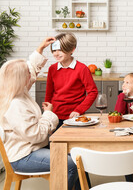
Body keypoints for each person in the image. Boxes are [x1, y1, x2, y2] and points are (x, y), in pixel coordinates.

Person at [0, 37, 79, 190]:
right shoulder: (15, 104)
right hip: (24, 156)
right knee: (71, 164)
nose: (32, 76)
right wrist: (48, 114)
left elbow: (32, 68)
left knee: (75, 153)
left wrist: (41, 48)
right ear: (22, 79)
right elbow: (37, 135)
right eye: (28, 75)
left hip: (31, 148)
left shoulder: (14, 91)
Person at [45, 33, 98, 129]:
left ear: (72, 49)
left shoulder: (82, 69)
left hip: (74, 117)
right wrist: (47, 114)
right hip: (54, 117)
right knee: (54, 143)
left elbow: (93, 92)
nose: (56, 53)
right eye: (54, 50)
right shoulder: (52, 69)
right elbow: (49, 94)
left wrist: (79, 110)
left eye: (60, 50)